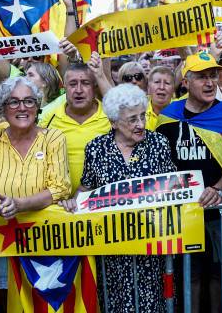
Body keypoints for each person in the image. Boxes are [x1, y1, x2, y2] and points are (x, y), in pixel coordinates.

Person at [59, 84, 177, 312]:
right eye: (132, 119)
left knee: (151, 305)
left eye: (142, 116)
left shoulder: (158, 144)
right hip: (111, 253)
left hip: (150, 251)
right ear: (113, 122)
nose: (141, 124)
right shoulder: (96, 149)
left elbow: (174, 185)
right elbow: (86, 186)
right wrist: (73, 202)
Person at [0, 77, 71, 310]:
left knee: (42, 303)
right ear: (3, 107)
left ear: (37, 106)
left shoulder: (53, 138)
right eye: (14, 102)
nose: (22, 108)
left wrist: (21, 204)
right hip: (1, 240)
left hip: (44, 243)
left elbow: (59, 187)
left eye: (29, 101)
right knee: (5, 302)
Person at [156, 51, 222, 313]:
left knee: (219, 271)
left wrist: (218, 187)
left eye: (213, 76)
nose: (210, 83)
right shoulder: (168, 116)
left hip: (220, 209)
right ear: (186, 82)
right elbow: (161, 164)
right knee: (188, 273)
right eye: (202, 77)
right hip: (184, 211)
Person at [39, 63, 111, 194]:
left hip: (103, 204)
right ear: (64, 87)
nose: (79, 90)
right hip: (60, 206)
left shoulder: (111, 118)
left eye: (85, 83)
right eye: (73, 84)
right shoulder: (48, 119)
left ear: (95, 87)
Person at [146, 66, 176, 130]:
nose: (162, 87)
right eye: (157, 82)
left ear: (173, 89)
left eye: (167, 83)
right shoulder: (139, 111)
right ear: (148, 87)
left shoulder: (182, 111)